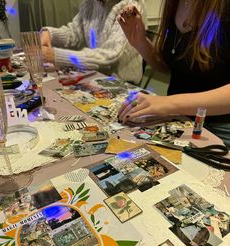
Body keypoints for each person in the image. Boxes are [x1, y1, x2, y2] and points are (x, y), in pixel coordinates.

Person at [118, 1, 230, 147]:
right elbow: (170, 68)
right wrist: (139, 41)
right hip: (177, 120)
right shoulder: (174, 3)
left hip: (218, 128)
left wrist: (168, 103)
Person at [40, 0, 145, 84]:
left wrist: (55, 55)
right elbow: (74, 33)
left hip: (122, 83)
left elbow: (109, 55)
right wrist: (50, 34)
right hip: (94, 74)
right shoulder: (90, 3)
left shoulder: (131, 7)